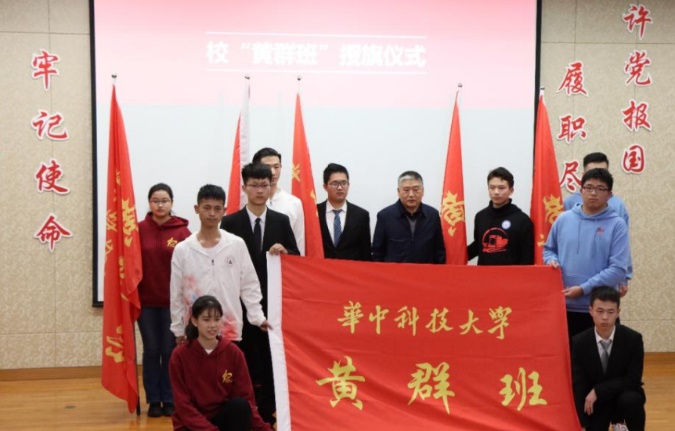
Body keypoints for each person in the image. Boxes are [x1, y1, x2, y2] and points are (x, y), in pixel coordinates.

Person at [220, 163, 299, 427]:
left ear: (271, 187)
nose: (259, 190)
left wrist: (285, 252)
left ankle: (267, 412)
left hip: (272, 303)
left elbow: (296, 257)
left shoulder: (281, 220)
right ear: (244, 188)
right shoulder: (230, 222)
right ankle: (245, 411)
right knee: (243, 359)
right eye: (254, 185)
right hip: (238, 304)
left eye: (264, 185)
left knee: (269, 360)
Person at [170, 184, 270, 345]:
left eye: (217, 209)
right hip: (195, 329)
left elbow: (249, 284)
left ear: (224, 211)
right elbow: (176, 293)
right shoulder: (183, 249)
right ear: (196, 208)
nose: (212, 213)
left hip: (229, 327)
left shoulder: (236, 244)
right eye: (206, 208)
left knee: (228, 363)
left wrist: (258, 317)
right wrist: (178, 329)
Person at [544, 169, 630, 341]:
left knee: (601, 357)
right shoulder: (563, 219)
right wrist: (552, 260)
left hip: (600, 309)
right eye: (589, 187)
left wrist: (584, 289)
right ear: (581, 190)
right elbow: (548, 250)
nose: (593, 193)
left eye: (600, 189)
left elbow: (618, 269)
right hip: (564, 307)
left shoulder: (617, 225)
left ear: (609, 194)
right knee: (566, 356)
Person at [169, 295, 273, 431]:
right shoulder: (179, 355)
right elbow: (183, 405)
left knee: (240, 406)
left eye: (217, 319)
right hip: (191, 424)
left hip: (221, 420)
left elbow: (247, 400)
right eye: (206, 320)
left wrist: (265, 429)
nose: (213, 325)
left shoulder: (233, 352)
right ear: (194, 321)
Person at [137, 183, 191, 418]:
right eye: (155, 201)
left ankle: (170, 398)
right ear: (149, 203)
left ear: (172, 203)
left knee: (170, 351)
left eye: (164, 201)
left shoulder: (182, 232)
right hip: (145, 302)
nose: (160, 205)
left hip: (173, 304)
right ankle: (153, 399)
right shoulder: (137, 230)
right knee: (151, 350)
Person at [572, 287, 645, 431]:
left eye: (610, 312)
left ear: (618, 313)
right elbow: (579, 383)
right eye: (600, 311)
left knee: (632, 400)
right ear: (591, 311)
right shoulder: (579, 342)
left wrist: (598, 390)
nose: (605, 317)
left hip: (623, 396)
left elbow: (633, 379)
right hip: (597, 403)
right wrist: (581, 423)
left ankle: (620, 422)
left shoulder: (633, 339)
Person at [564, 152, 632, 296]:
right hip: (572, 286)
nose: (594, 192)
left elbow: (623, 246)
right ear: (584, 175)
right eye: (592, 172)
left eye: (602, 172)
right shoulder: (569, 205)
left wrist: (625, 277)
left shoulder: (618, 205)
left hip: (605, 285)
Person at [372, 170, 445, 263]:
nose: (411, 194)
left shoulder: (432, 215)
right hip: (394, 271)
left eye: (416, 189)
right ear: (398, 192)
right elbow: (377, 253)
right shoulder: (385, 216)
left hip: (425, 271)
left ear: (423, 191)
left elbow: (439, 251)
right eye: (406, 190)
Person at [467, 167, 534, 265]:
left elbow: (527, 257)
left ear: (511, 190)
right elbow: (478, 245)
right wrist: (456, 254)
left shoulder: (522, 220)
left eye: (501, 188)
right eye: (492, 187)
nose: (496, 192)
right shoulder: (480, 217)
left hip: (511, 274)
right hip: (483, 274)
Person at [252, 147, 305, 255]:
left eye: (276, 167)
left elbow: (299, 246)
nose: (273, 172)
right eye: (267, 167)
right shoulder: (247, 201)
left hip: (283, 263)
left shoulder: (294, 203)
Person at [317, 163, 372, 261]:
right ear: (325, 186)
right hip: (321, 269)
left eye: (343, 183)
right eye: (335, 183)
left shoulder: (361, 215)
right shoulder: (314, 213)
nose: (340, 188)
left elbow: (366, 253)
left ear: (348, 185)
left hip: (351, 270)